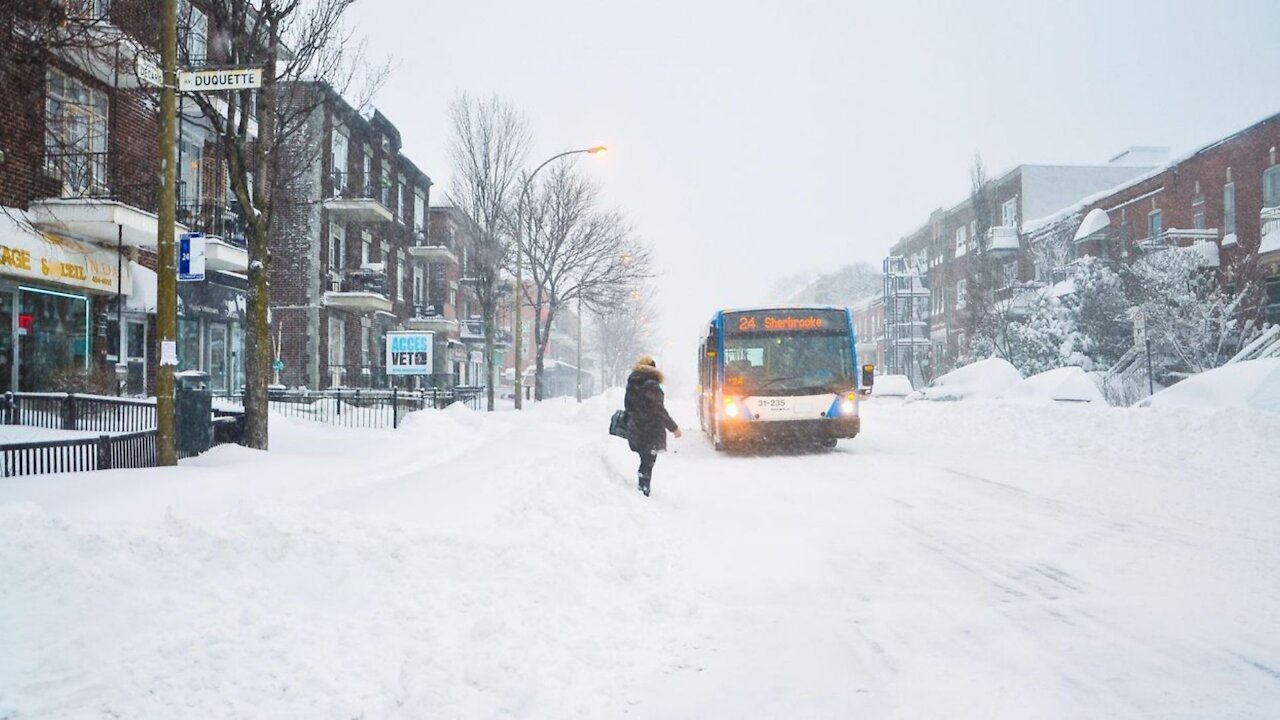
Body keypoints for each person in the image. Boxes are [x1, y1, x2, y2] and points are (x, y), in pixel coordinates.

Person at [624, 355, 681, 496]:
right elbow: (658, 410)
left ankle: (642, 487)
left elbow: (628, 406)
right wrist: (673, 428)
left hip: (636, 427)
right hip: (650, 429)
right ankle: (643, 490)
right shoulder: (652, 384)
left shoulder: (632, 383)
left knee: (645, 459)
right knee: (648, 461)